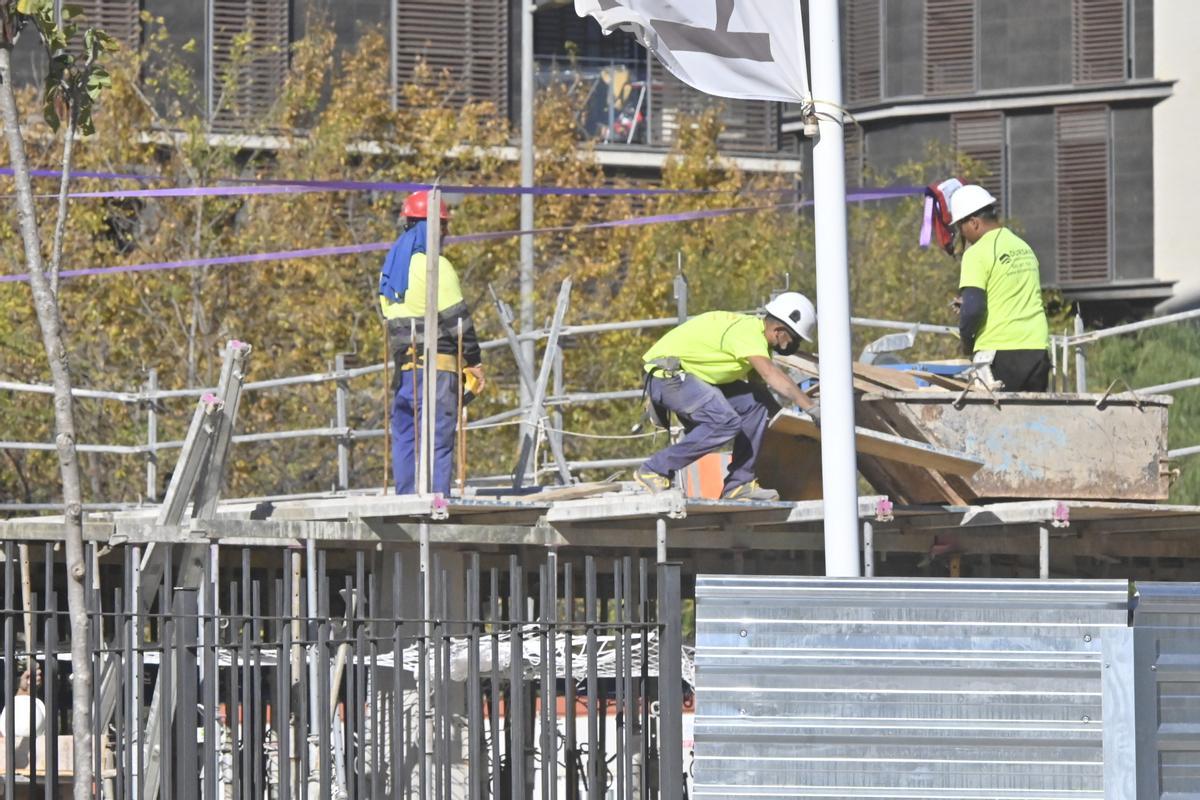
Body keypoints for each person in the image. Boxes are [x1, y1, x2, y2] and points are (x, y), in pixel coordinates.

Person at [633, 292, 821, 501]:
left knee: (755, 404)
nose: (795, 345)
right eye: (795, 339)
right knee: (725, 422)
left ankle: (739, 485)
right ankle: (654, 469)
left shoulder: (756, 339)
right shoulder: (748, 333)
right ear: (779, 331)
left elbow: (760, 392)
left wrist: (789, 428)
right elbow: (771, 374)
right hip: (667, 377)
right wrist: (811, 408)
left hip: (692, 380)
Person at [379, 191, 485, 495]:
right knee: (437, 441)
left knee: (406, 439)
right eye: (444, 226)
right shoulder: (435, 266)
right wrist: (474, 363)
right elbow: (459, 323)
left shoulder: (389, 271)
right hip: (436, 375)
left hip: (405, 375)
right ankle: (436, 505)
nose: (447, 234)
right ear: (431, 227)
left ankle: (406, 503)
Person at [949, 184, 1051, 391]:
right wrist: (968, 303)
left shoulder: (976, 254)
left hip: (1001, 353)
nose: (961, 233)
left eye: (961, 226)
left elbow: (975, 309)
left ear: (974, 223)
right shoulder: (1023, 247)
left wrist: (967, 343)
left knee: (995, 421)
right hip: (1037, 350)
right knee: (1032, 421)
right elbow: (1011, 293)